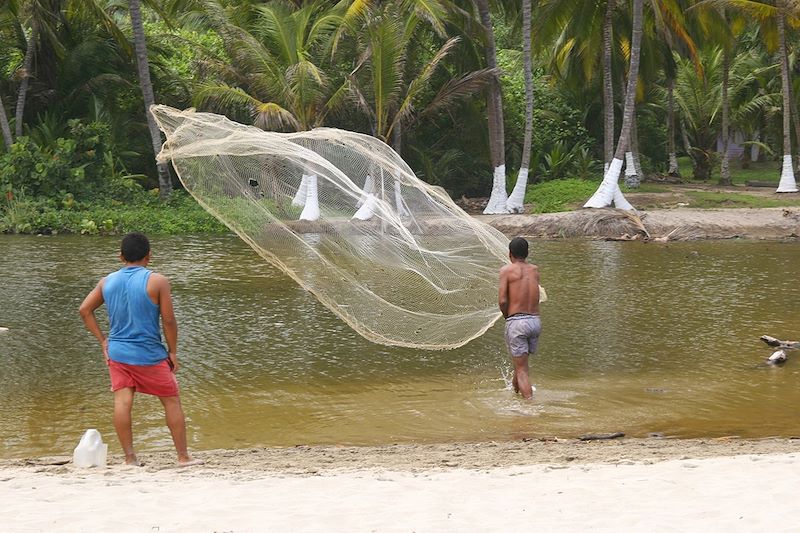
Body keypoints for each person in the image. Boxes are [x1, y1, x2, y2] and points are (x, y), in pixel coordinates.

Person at [79, 232, 201, 466]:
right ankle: (183, 457)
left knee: (123, 402)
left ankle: (129, 458)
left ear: (121, 256)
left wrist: (103, 341)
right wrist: (173, 352)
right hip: (150, 355)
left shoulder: (107, 282)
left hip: (118, 354)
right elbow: (168, 321)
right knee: (172, 401)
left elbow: (85, 310)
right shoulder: (158, 281)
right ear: (149, 256)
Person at [498, 236, 541, 399]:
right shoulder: (535, 270)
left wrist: (507, 317)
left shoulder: (506, 270)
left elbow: (502, 300)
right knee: (521, 365)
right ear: (527, 253)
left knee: (522, 370)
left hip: (518, 322)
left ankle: (530, 408)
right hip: (535, 322)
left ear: (510, 254)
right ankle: (515, 396)